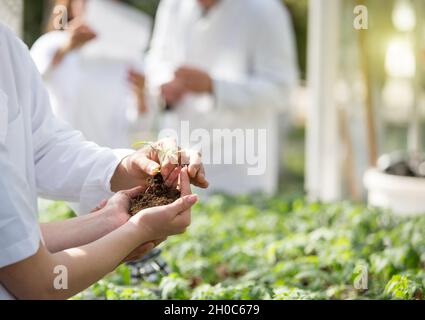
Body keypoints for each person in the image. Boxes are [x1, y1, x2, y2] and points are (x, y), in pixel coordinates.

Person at [0, 22, 208, 299]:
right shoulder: (50, 45)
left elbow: (39, 145)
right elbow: (41, 284)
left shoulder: (6, 46)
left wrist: (125, 168)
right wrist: (135, 232)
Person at [145, 0, 299, 195]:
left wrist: (214, 86)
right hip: (177, 156)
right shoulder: (173, 5)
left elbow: (280, 90)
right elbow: (157, 59)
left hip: (240, 168)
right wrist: (163, 83)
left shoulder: (266, 10)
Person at [30, 0, 150, 148]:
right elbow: (30, 84)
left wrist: (140, 94)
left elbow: (140, 125)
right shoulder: (51, 44)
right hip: (66, 155)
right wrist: (66, 48)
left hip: (112, 159)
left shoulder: (129, 56)